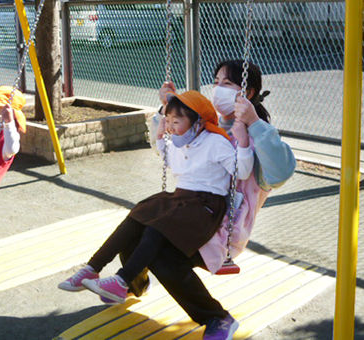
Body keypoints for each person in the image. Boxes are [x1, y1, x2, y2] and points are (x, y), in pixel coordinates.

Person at [122, 59, 296, 340]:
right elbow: (171, 145)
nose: (218, 89)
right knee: (137, 227)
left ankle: (218, 319)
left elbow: (281, 172)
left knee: (164, 256)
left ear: (247, 93)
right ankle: (135, 283)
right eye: (216, 82)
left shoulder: (255, 137)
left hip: (221, 231)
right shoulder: (207, 128)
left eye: (227, 83)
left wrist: (252, 123)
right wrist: (168, 107)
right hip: (190, 214)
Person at [58, 89, 254, 333]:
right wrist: (160, 137)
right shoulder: (179, 142)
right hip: (181, 199)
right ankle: (92, 269)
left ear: (198, 122)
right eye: (168, 121)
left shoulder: (215, 142)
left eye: (177, 121)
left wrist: (243, 141)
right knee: (138, 216)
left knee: (157, 228)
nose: (171, 126)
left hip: (205, 205)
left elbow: (242, 171)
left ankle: (122, 280)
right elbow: (171, 160)